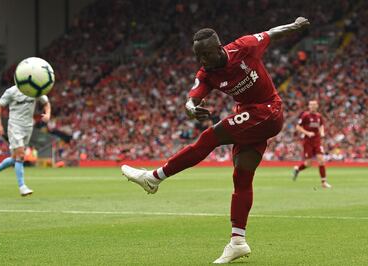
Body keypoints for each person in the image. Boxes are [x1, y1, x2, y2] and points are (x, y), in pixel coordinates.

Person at [121, 17, 310, 264]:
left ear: (218, 48)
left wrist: (295, 26)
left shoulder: (244, 46)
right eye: (198, 56)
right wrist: (190, 107)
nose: (202, 61)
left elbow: (272, 33)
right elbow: (193, 95)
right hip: (251, 117)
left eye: (205, 55)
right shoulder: (206, 74)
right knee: (241, 177)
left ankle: (153, 178)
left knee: (210, 137)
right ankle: (238, 242)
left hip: (268, 110)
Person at [0, 85, 51, 196]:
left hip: (28, 127)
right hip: (14, 126)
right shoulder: (11, 91)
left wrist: (48, 114)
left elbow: (46, 102)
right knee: (21, 156)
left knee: (14, 158)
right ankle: (22, 186)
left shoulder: (34, 89)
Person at [293, 100, 331, 188]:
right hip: (308, 142)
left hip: (317, 141)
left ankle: (323, 183)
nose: (313, 106)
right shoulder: (305, 115)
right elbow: (298, 127)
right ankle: (297, 169)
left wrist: (322, 132)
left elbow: (321, 125)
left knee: (321, 160)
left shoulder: (319, 116)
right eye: (311, 105)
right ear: (309, 106)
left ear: (317, 106)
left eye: (314, 105)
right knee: (308, 163)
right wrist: (307, 133)